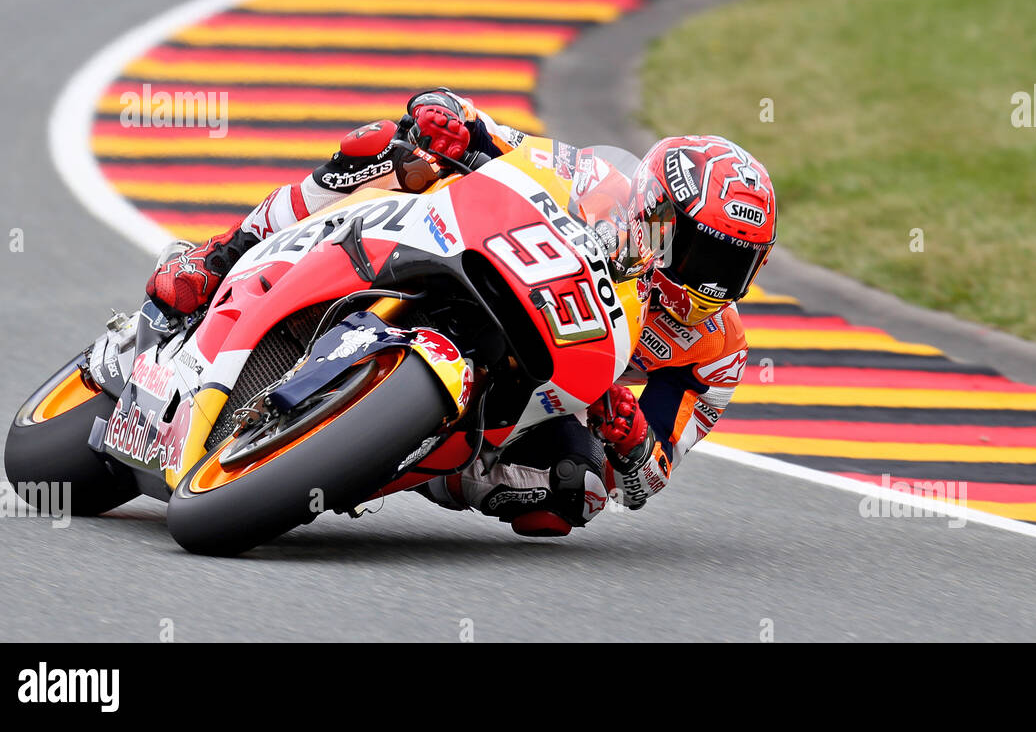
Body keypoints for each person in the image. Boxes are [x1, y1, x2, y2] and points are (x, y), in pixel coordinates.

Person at [147, 89, 777, 536]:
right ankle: (221, 254)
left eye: (733, 269)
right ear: (658, 212)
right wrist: (449, 118)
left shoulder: (718, 352)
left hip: (533, 394)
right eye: (700, 254)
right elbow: (496, 137)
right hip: (474, 261)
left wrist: (632, 437)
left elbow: (647, 482)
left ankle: (401, 453)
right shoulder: (594, 182)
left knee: (574, 491)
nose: (708, 282)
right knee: (389, 149)